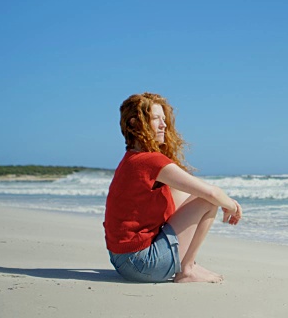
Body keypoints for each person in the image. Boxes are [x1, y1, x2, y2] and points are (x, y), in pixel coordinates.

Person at [104, 92, 242, 283]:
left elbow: (190, 191)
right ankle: (187, 269)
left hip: (122, 260)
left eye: (163, 118)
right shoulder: (150, 161)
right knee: (208, 200)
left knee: (185, 193)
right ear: (135, 124)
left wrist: (221, 199)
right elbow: (211, 193)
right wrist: (232, 206)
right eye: (155, 119)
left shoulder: (132, 159)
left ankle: (188, 264)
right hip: (141, 264)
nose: (164, 125)